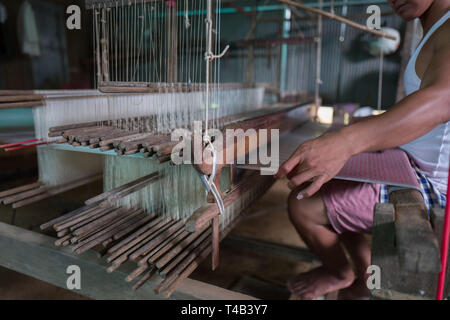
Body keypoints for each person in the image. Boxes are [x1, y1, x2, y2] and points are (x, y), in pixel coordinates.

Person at [277, 0, 450, 300]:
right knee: (316, 178)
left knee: (302, 204)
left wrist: (347, 141)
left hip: (431, 186)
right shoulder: (433, 30)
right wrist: (361, 125)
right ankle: (365, 272)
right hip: (411, 162)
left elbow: (442, 100)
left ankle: (341, 272)